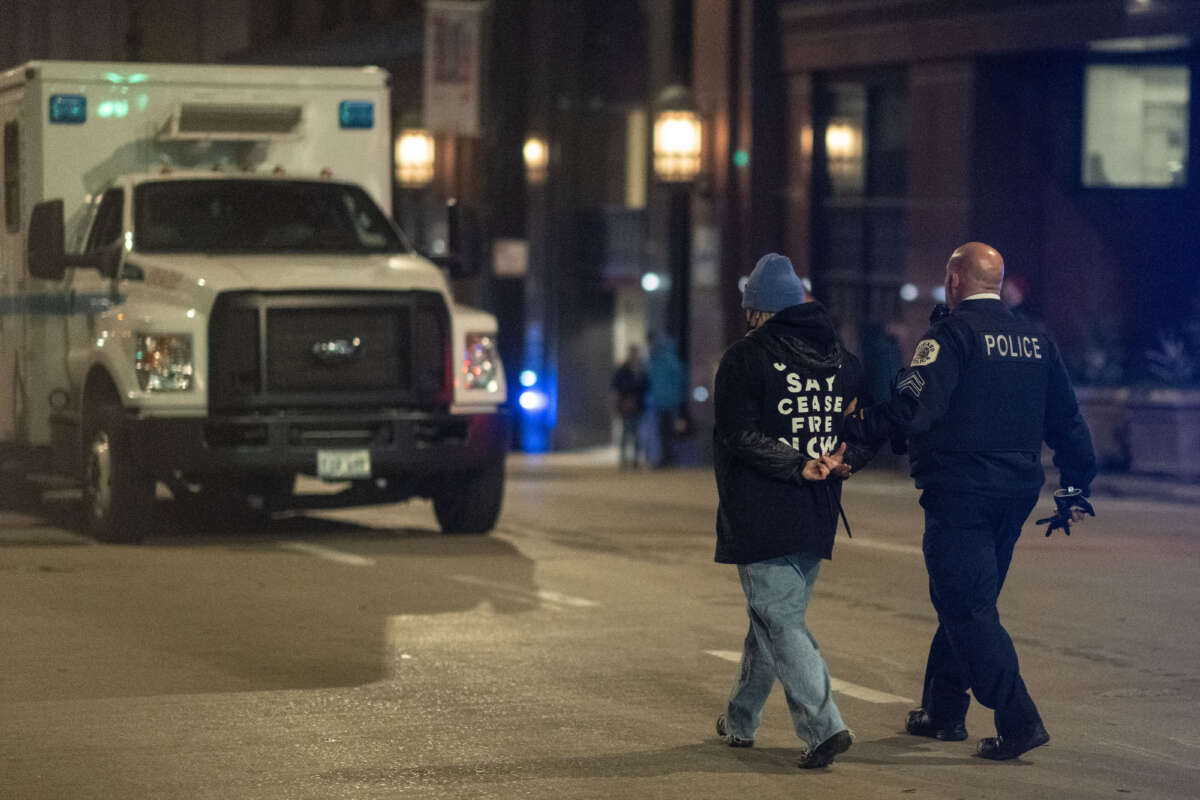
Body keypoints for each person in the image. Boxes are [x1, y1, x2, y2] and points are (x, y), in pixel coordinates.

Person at [843, 242, 1097, 761]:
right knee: (967, 600)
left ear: (956, 281)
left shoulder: (951, 336)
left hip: (962, 491)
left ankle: (1019, 720)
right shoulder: (1036, 340)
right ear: (997, 282)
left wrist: (855, 428)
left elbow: (913, 411)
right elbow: (1070, 424)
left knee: (966, 606)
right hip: (1017, 491)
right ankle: (942, 711)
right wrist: (1072, 488)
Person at [712, 252, 873, 769]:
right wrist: (847, 460)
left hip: (764, 507)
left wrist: (796, 464)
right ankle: (740, 719)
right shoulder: (843, 360)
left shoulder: (745, 358)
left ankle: (824, 727)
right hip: (819, 508)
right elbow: (860, 429)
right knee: (772, 617)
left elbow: (739, 434)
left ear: (758, 309)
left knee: (778, 618)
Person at [646, 333, 686, 467]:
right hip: (665, 402)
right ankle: (667, 458)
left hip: (667, 402)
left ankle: (668, 458)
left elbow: (679, 381)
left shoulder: (661, 361)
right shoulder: (663, 360)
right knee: (665, 433)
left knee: (666, 433)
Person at [611, 344, 649, 468]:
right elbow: (616, 385)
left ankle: (636, 459)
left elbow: (646, 386)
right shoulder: (622, 369)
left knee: (637, 434)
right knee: (626, 432)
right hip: (625, 404)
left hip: (638, 405)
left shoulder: (642, 370)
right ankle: (623, 459)